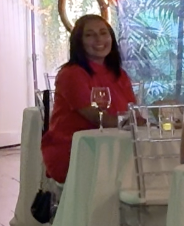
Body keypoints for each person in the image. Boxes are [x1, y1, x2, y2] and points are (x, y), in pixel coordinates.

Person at [42, 13, 137, 185]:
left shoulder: (119, 74)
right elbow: (98, 118)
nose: (98, 39)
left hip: (113, 147)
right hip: (78, 150)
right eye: (89, 34)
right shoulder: (72, 74)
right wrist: (135, 123)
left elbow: (131, 113)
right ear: (79, 42)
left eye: (103, 33)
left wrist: (156, 119)